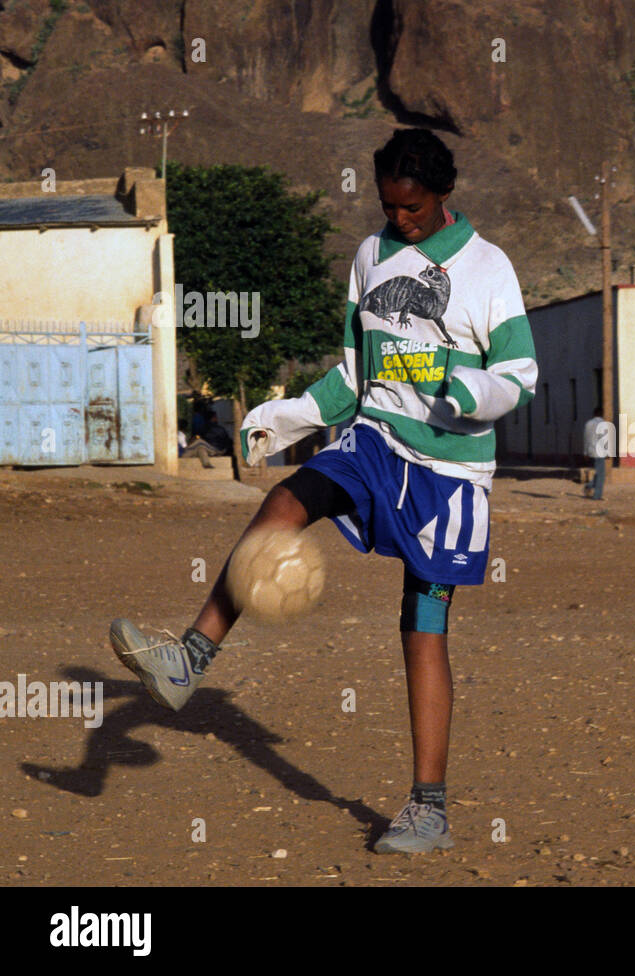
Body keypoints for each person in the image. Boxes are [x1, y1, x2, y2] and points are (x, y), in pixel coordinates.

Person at [109, 128, 538, 854]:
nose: (396, 220)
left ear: (440, 194)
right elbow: (353, 375)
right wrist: (292, 415)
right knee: (282, 504)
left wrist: (475, 389)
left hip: (449, 475)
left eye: (410, 208)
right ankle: (189, 657)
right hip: (374, 441)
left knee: (421, 629)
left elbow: (521, 375)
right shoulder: (371, 256)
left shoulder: (488, 268)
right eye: (387, 205)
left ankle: (427, 809)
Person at [582, 406, 612, 501]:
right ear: (602, 414)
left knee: (598, 473)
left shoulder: (588, 423)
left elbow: (585, 438)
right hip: (600, 452)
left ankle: (589, 486)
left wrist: (585, 452)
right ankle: (597, 495)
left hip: (591, 451)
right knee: (601, 475)